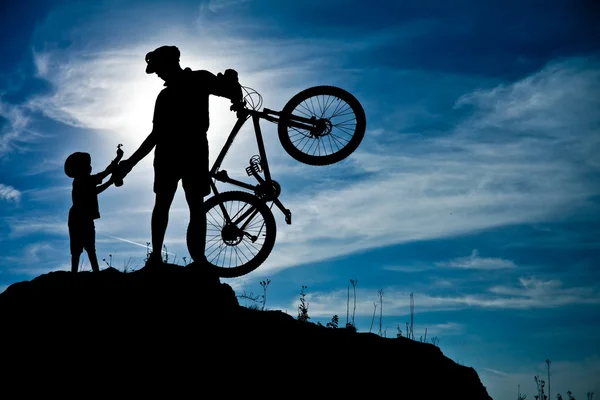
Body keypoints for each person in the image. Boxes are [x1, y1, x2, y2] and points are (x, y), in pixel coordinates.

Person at [114, 45, 244, 265]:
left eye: (158, 68)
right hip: (180, 152)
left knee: (188, 205)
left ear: (170, 63)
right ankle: (160, 256)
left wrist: (233, 83)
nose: (157, 74)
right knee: (174, 204)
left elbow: (231, 92)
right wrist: (129, 164)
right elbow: (156, 134)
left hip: (184, 151)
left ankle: (194, 259)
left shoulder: (194, 81)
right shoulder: (172, 92)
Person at [64, 145, 123, 272]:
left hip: (82, 216)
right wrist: (110, 181)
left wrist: (117, 158)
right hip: (79, 217)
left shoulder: (84, 179)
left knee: (88, 247)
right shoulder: (81, 181)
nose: (90, 167)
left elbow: (106, 172)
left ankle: (91, 271)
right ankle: (85, 272)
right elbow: (96, 189)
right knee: (79, 248)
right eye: (87, 165)